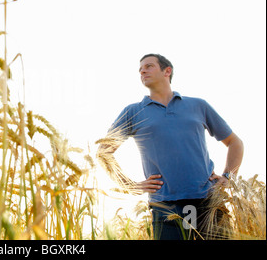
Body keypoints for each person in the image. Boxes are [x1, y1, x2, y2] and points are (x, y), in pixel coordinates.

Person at [98, 54, 244, 240]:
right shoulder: (132, 111)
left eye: (149, 66)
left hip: (209, 201)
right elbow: (103, 153)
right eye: (140, 69)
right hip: (165, 207)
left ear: (167, 71)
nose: (142, 71)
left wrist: (228, 176)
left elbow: (235, 143)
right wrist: (131, 186)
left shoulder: (198, 105)